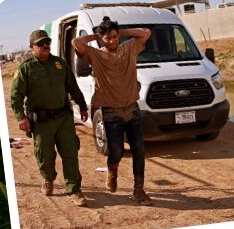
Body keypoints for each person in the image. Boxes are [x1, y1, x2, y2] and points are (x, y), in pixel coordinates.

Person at [72, 16, 153, 205]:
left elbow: (146, 33)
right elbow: (76, 42)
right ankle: (112, 170)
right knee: (116, 152)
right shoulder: (96, 54)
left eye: (115, 37)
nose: (112, 41)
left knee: (139, 151)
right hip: (110, 111)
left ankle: (138, 190)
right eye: (108, 38)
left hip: (132, 108)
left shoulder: (129, 47)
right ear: (102, 39)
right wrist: (99, 35)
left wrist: (120, 31)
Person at [11, 29, 89, 207]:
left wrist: (83, 106)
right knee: (44, 156)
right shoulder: (26, 68)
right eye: (40, 43)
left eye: (47, 42)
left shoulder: (60, 64)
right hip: (41, 121)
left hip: (63, 118)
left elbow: (73, 87)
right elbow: (16, 95)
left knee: (70, 153)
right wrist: (21, 118)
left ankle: (74, 189)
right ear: (32, 47)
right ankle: (48, 179)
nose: (45, 46)